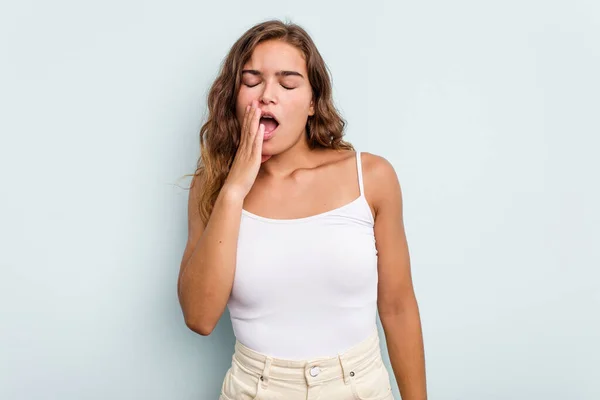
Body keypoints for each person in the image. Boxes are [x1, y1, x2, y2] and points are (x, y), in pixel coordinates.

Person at [177, 19, 427, 400]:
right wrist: (234, 190)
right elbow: (199, 317)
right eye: (251, 80)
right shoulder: (210, 188)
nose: (266, 95)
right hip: (254, 389)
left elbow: (397, 307)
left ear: (312, 102)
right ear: (235, 97)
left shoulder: (371, 177)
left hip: (359, 386)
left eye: (288, 82)